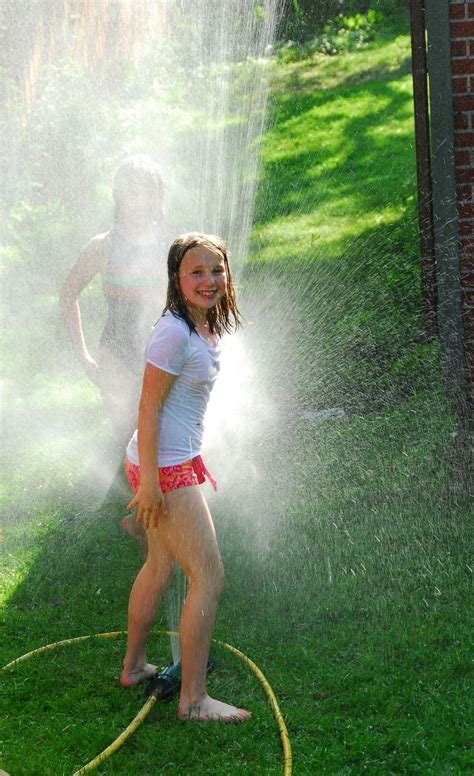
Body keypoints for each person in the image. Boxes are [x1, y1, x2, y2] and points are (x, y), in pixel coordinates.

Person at [120, 232, 251, 723]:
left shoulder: (201, 325)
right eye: (196, 272)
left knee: (161, 566)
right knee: (209, 578)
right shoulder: (173, 332)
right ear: (176, 279)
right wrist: (150, 484)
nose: (209, 280)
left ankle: (134, 668)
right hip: (166, 471)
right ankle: (193, 700)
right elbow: (148, 406)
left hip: (159, 463)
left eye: (216, 270)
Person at [60, 155, 167, 446]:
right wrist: (84, 357)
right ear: (119, 195)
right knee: (127, 440)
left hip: (163, 351)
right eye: (134, 192)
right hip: (116, 354)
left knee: (163, 440)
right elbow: (68, 294)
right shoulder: (103, 246)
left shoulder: (172, 246)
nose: (143, 201)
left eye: (150, 192)